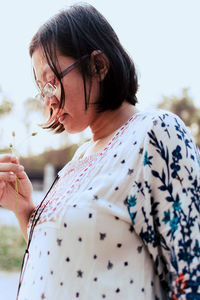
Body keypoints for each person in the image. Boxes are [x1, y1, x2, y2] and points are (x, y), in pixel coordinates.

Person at [0, 4, 199, 300]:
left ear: (98, 66)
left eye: (51, 83)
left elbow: (190, 274)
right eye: (41, 90)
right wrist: (24, 209)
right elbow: (71, 258)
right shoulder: (78, 159)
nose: (48, 102)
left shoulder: (156, 132)